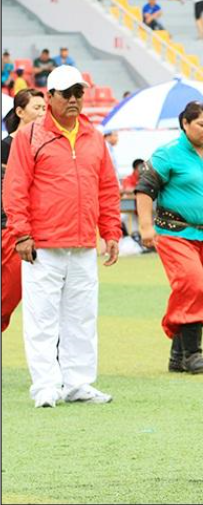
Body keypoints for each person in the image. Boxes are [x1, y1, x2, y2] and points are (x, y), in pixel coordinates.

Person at [3, 66, 121, 408]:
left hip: (83, 243)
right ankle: (45, 385)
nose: (73, 99)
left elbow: (107, 188)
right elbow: (16, 189)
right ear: (49, 97)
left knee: (82, 315)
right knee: (42, 317)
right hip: (43, 244)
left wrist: (111, 231)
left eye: (78, 93)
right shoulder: (29, 138)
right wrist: (21, 235)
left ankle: (78, 382)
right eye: (65, 93)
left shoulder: (93, 136)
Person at [135, 101, 203, 374]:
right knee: (192, 284)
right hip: (173, 234)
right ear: (185, 123)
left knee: (198, 291)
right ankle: (194, 354)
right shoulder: (168, 154)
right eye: (201, 124)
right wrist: (145, 227)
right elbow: (144, 188)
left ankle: (178, 354)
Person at [1, 89, 46, 333]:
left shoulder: (46, 146)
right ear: (19, 112)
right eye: (36, 108)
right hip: (9, 229)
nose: (41, 113)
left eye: (43, 108)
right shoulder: (5, 148)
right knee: (8, 295)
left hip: (37, 230)